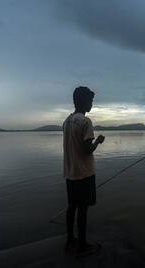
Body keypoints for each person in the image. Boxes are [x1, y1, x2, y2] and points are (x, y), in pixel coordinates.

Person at [62, 86, 105, 257]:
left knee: (72, 207)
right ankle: (82, 245)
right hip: (84, 173)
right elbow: (88, 150)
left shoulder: (67, 121)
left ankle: (70, 240)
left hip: (70, 173)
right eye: (90, 100)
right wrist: (98, 142)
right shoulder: (86, 122)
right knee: (83, 209)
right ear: (82, 101)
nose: (91, 104)